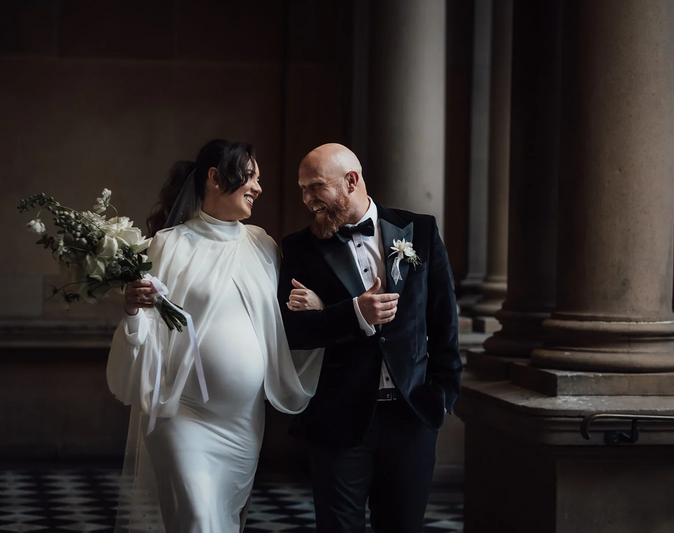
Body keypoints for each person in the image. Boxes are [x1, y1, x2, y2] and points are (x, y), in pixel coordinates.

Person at [106, 139, 324, 533]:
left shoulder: (263, 245)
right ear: (215, 177)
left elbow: (282, 320)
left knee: (221, 520)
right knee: (198, 519)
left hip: (242, 423)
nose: (258, 187)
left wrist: (315, 307)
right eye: (251, 176)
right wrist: (133, 307)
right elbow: (147, 327)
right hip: (180, 412)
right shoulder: (168, 244)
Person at [277, 143, 462, 532]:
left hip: (412, 417)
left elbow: (444, 321)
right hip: (338, 421)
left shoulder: (420, 231)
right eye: (302, 190)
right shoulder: (299, 248)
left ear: (351, 181)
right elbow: (291, 332)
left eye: (315, 188)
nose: (307, 200)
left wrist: (443, 395)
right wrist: (352, 313)